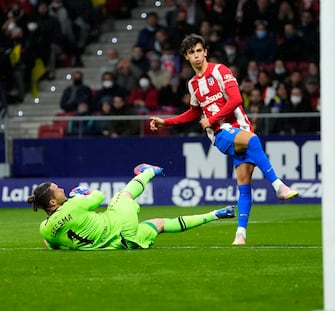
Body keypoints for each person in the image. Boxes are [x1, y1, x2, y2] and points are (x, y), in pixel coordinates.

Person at [149, 34, 298, 245]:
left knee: (244, 185)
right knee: (253, 141)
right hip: (221, 135)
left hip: (239, 128)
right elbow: (193, 112)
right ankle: (279, 186)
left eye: (199, 50)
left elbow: (236, 98)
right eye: (192, 53)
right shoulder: (193, 84)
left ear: (205, 51)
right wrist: (167, 122)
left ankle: (240, 234)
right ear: (186, 57)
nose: (197, 56)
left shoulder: (220, 71)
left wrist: (212, 118)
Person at [28, 164, 235, 250]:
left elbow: (52, 244)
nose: (61, 188)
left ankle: (215, 214)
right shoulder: (74, 204)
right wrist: (84, 192)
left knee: (160, 224)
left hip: (119, 245)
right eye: (57, 190)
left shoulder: (45, 229)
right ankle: (149, 171)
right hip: (118, 223)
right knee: (123, 195)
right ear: (53, 202)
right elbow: (100, 196)